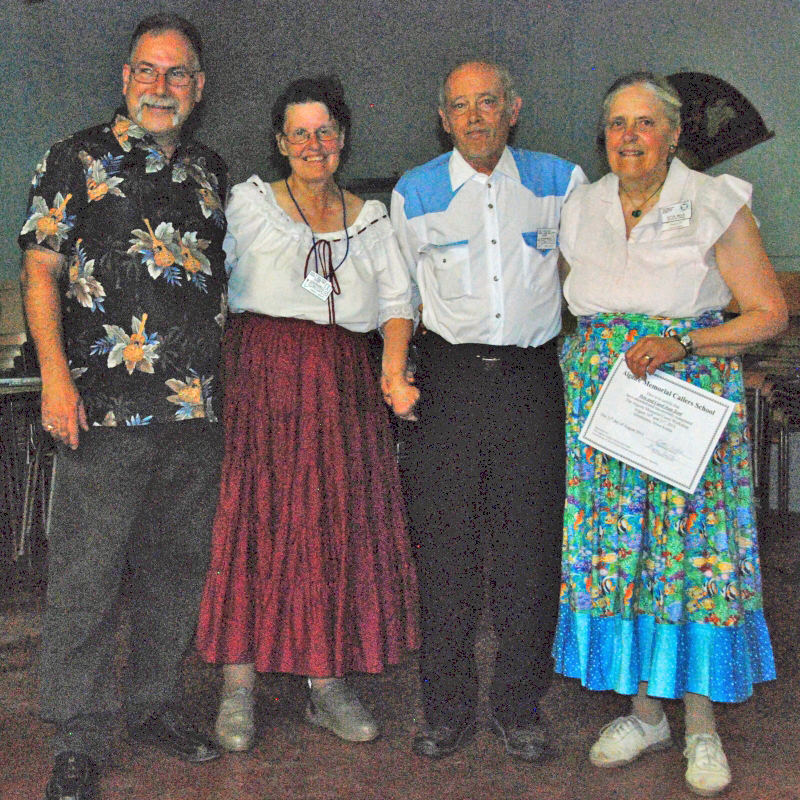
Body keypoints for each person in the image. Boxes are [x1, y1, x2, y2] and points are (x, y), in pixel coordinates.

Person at [554, 72, 786, 797]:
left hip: (685, 408)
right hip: (605, 414)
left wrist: (683, 345)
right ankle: (645, 714)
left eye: (646, 122)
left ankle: (702, 728)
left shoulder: (715, 202)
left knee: (689, 560)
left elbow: (767, 313)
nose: (629, 136)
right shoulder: (581, 206)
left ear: (675, 133)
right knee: (623, 556)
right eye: (617, 123)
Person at [19, 14, 228, 800]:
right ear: (125, 78)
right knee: (88, 577)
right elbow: (40, 271)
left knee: (176, 572)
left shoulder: (210, 170)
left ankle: (155, 705)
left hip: (193, 412)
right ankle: (78, 736)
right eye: (147, 70)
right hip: (100, 411)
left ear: (198, 87)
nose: (160, 86)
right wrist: (55, 378)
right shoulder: (74, 157)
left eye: (177, 73)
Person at [196, 75, 420, 751]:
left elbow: (397, 303)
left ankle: (327, 683)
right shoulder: (250, 204)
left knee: (331, 524)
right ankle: (237, 688)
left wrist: (392, 371)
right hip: (262, 378)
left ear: (343, 138)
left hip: (343, 386)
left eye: (325, 131)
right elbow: (206, 280)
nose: (313, 144)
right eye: (300, 133)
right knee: (253, 521)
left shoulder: (372, 218)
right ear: (280, 141)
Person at [390, 61, 586, 762]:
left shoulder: (560, 182)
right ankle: (445, 711)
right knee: (445, 554)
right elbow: (401, 294)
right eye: (460, 106)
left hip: (532, 382)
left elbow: (585, 277)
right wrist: (395, 372)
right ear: (443, 117)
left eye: (488, 102)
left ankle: (519, 707)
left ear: (513, 108)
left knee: (529, 554)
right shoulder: (414, 191)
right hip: (448, 383)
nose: (475, 117)